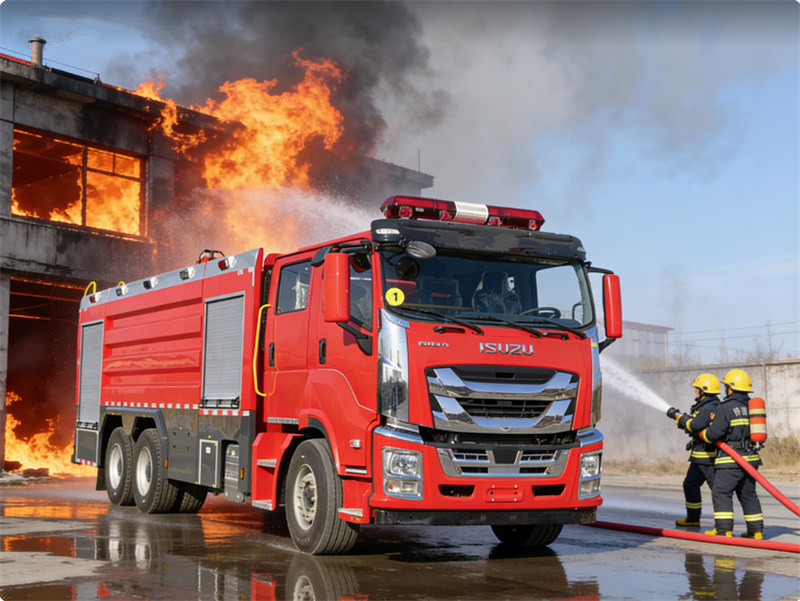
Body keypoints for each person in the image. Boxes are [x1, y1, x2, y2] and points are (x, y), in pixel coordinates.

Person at [699, 368, 764, 539]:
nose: (725, 389)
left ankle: (723, 530)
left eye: (726, 386)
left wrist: (703, 433)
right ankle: (755, 531)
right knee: (748, 494)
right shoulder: (751, 407)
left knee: (721, 492)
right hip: (751, 458)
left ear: (731, 387)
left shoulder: (726, 408)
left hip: (731, 460)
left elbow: (714, 435)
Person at [672, 374, 721, 527]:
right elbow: (694, 425)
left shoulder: (709, 407)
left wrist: (681, 418)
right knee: (690, 485)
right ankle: (693, 518)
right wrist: (682, 420)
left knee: (717, 491)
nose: (695, 393)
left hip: (709, 458)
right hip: (700, 458)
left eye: (697, 390)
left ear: (704, 391)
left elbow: (695, 425)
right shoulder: (704, 406)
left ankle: (723, 524)